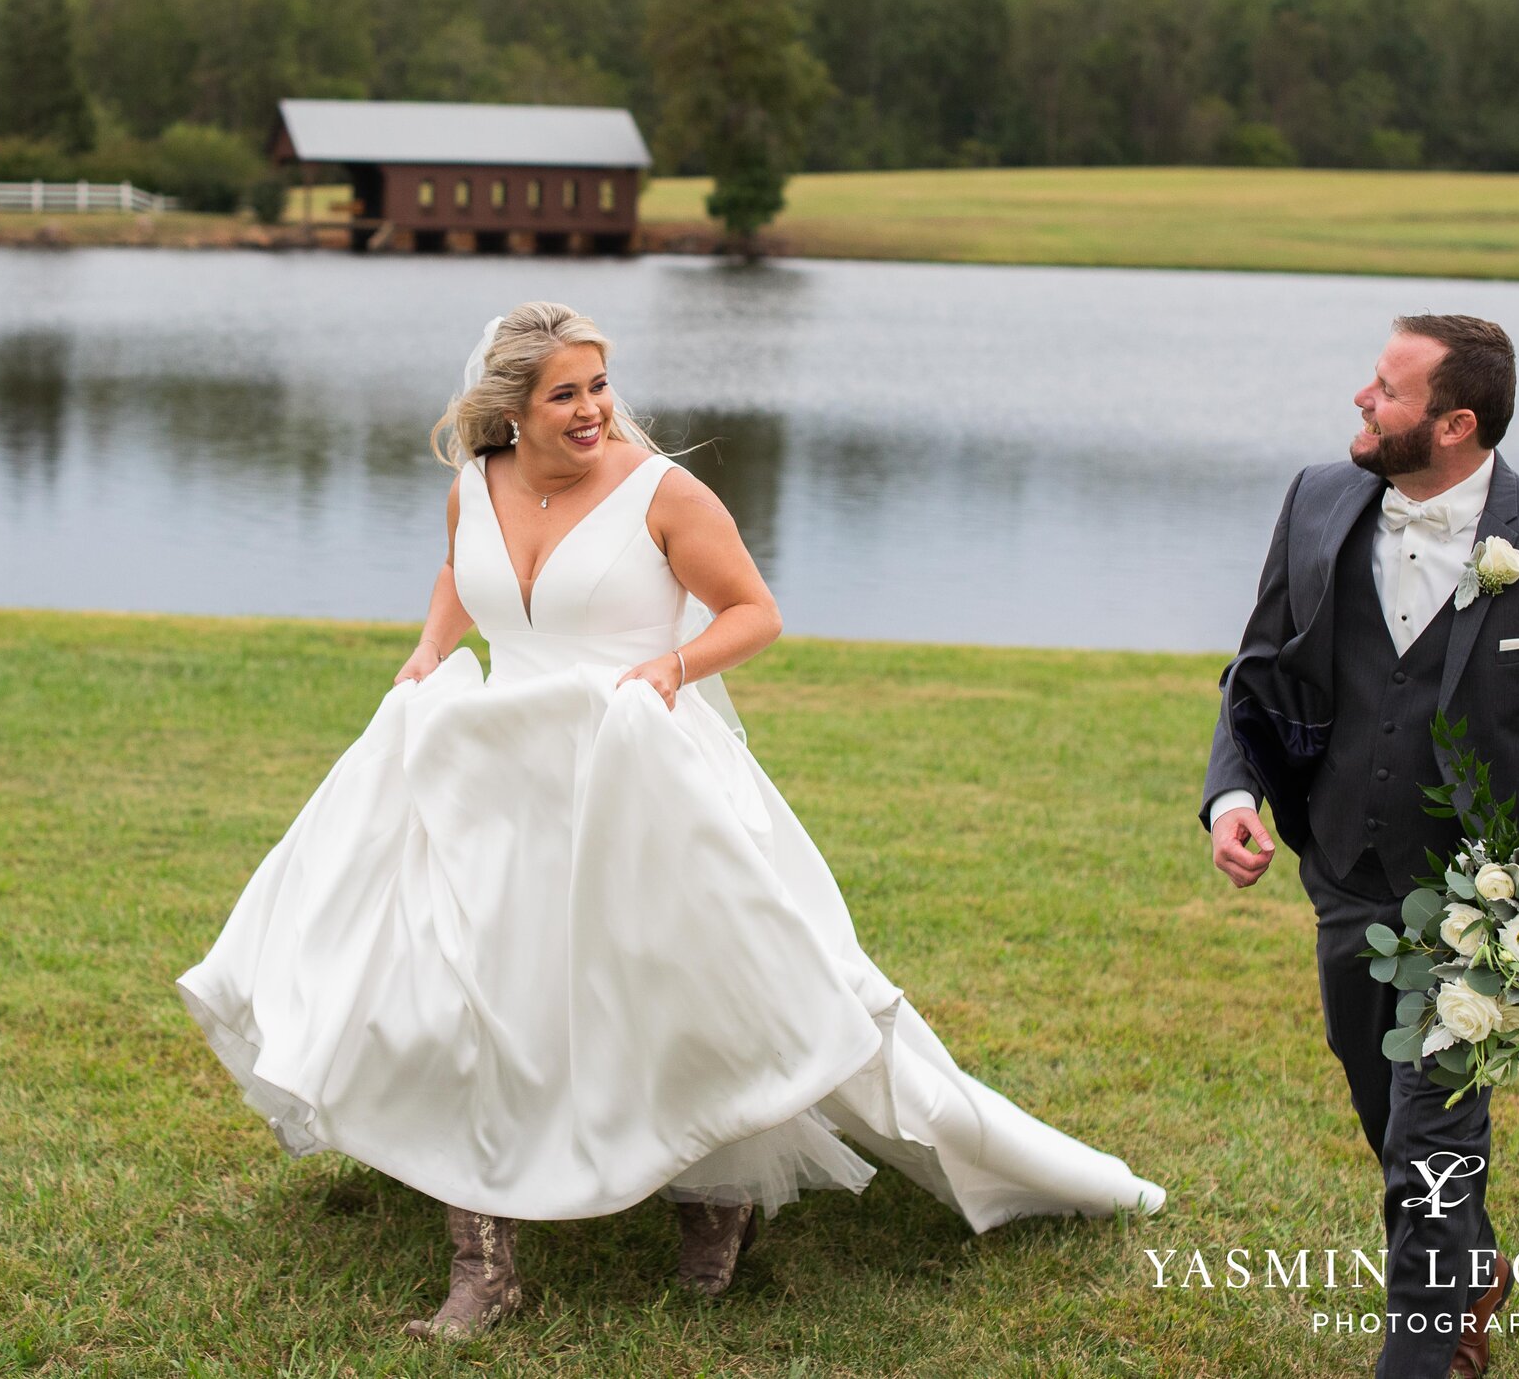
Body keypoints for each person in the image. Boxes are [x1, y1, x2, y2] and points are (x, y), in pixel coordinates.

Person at [179, 300, 1164, 1340]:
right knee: (454, 996)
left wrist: (670, 666)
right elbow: (457, 576)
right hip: (490, 781)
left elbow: (754, 612)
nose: (595, 408)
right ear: (510, 408)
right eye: (566, 393)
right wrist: (430, 649)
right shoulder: (476, 485)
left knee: (669, 991)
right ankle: (485, 1263)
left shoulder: (662, 491)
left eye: (599, 384)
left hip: (635, 767)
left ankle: (716, 1197)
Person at [1203, 314, 1519, 1379]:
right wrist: (1232, 790)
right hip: (1344, 869)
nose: (1359, 401)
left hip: (1488, 904)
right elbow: (1258, 674)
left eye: (1385, 389)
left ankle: (1421, 1355)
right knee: (1378, 1090)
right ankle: (1467, 1264)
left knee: (1433, 1133)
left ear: (1455, 423)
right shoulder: (1317, 499)